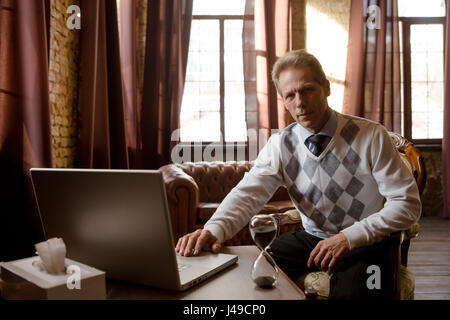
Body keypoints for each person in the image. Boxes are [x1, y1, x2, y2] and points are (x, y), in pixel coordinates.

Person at [175, 49, 421, 299]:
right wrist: (212, 230)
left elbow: (406, 204)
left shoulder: (371, 136)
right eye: (290, 95)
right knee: (250, 280)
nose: (300, 103)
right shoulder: (280, 145)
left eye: (307, 90)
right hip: (311, 240)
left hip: (366, 244)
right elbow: (246, 195)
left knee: (358, 292)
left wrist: (348, 237)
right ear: (283, 100)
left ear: (326, 87)